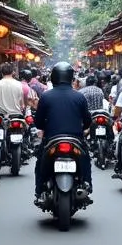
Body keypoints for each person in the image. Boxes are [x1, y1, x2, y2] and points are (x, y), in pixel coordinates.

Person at [34, 61, 92, 205]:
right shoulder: (79, 97)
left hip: (51, 139)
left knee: (40, 162)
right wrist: (83, 129)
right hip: (76, 139)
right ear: (71, 78)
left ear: (53, 77)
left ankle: (39, 191)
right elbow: (87, 121)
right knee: (85, 160)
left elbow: (38, 122)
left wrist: (44, 128)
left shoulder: (46, 97)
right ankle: (87, 184)